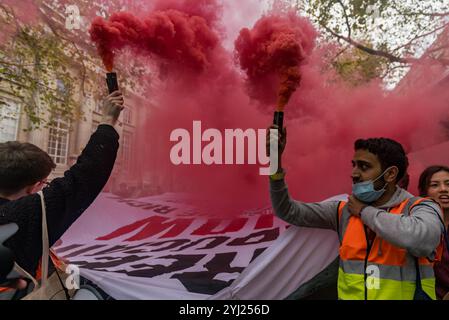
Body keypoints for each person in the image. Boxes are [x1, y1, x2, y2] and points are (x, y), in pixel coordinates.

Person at [267, 125, 444, 300]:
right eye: (354, 165)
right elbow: (288, 211)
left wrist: (364, 212)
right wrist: (274, 163)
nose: (354, 173)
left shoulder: (422, 207)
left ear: (390, 174)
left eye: (364, 167)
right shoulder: (343, 210)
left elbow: (421, 238)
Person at [0, 91, 124, 298]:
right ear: (33, 187)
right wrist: (107, 120)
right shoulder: (23, 215)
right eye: (44, 183)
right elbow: (85, 176)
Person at [418, 165, 449, 300]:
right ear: (425, 192)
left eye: (448, 184)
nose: (443, 189)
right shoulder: (417, 228)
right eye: (435, 185)